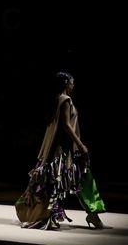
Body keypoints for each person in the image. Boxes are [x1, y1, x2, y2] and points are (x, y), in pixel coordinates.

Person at [16, 72, 105, 230]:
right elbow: (66, 125)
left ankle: (91, 213)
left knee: (74, 179)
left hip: (64, 149)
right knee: (73, 179)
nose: (73, 85)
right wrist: (81, 145)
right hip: (65, 150)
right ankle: (43, 214)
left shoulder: (57, 99)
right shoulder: (65, 99)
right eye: (71, 82)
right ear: (65, 83)